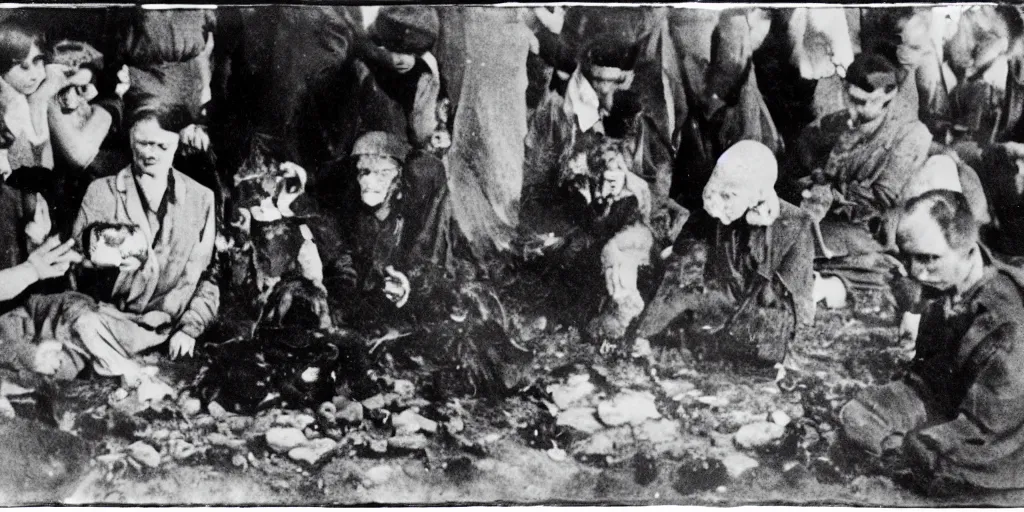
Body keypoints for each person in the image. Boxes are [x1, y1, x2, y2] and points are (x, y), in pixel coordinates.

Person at [0, 102, 219, 399]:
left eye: (161, 145)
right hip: (108, 318)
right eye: (143, 143)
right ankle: (124, 370)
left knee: (59, 347)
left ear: (178, 140)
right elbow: (74, 270)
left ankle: (118, 368)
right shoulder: (102, 192)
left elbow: (208, 274)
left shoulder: (201, 198)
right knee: (59, 352)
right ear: (130, 139)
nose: (150, 152)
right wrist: (99, 258)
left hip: (163, 325)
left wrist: (191, 327)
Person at [839, 190, 1024, 495]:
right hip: (951, 407)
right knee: (859, 417)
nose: (915, 271)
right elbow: (926, 380)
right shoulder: (948, 286)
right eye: (908, 257)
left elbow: (991, 433)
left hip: (999, 441)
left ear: (968, 251)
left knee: (926, 462)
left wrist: (917, 445)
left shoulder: (1006, 323)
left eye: (928, 258)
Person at [636, 140, 815, 368]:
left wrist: (790, 356)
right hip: (716, 308)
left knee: (759, 347)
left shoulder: (795, 225)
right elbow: (677, 280)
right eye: (717, 190)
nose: (718, 203)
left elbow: (798, 301)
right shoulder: (710, 215)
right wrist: (646, 332)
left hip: (758, 321)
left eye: (729, 196)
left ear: (758, 192)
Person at [792, 52, 932, 304]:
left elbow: (882, 198)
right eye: (850, 97)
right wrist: (813, 177)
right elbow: (804, 149)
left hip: (873, 228)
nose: (852, 107)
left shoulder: (911, 135)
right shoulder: (840, 122)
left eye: (863, 102)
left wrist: (831, 191)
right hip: (833, 219)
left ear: (888, 99)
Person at [318, 131, 452, 329]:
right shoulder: (348, 211)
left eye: (383, 173)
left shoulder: (412, 211)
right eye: (364, 171)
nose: (370, 180)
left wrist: (406, 278)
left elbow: (426, 247)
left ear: (398, 177)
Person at [0, 19, 91, 172]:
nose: (34, 75)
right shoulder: (11, 99)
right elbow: (35, 162)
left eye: (37, 61)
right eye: (23, 67)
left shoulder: (31, 85)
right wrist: (40, 99)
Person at [366, 6, 447, 152]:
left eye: (409, 52)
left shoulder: (428, 73)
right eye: (391, 50)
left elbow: (428, 120)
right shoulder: (369, 67)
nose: (400, 60)